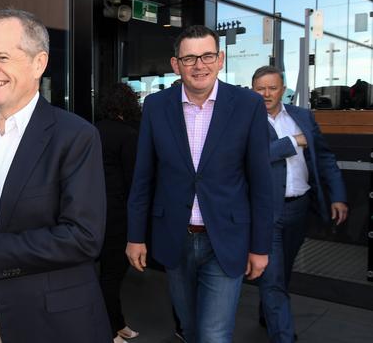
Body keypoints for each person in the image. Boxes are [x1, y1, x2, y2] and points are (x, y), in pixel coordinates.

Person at [0, 9, 111, 343]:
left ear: (38, 63)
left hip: (45, 323)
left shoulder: (74, 136)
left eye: (2, 57)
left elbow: (82, 237)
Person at [126, 25, 273, 343]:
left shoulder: (247, 105)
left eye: (207, 55)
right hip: (175, 237)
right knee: (190, 329)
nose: (199, 65)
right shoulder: (155, 106)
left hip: (225, 238)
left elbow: (262, 183)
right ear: (175, 64)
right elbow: (143, 177)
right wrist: (135, 237)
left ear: (220, 59)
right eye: (189, 58)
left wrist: (260, 246)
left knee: (213, 334)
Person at [251, 66, 348, 343]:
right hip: (266, 211)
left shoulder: (303, 116)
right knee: (272, 277)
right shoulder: (246, 122)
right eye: (261, 89)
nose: (267, 94)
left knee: (282, 271)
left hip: (299, 208)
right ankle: (284, 337)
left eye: (272, 88)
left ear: (283, 90)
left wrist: (338, 196)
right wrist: (293, 142)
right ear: (252, 91)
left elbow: (325, 158)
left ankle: (267, 311)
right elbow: (254, 157)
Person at [95, 83, 141, 343]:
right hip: (118, 214)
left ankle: (117, 323)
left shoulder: (92, 129)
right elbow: (134, 180)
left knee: (104, 273)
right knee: (112, 275)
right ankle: (109, 331)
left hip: (93, 212)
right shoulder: (128, 135)